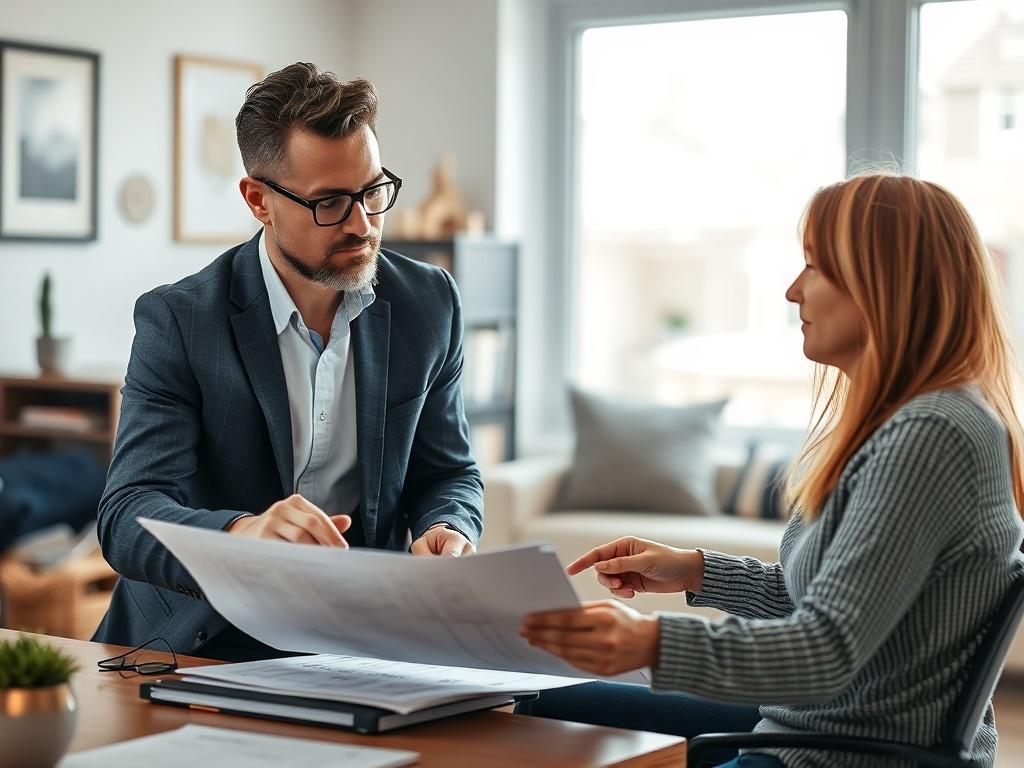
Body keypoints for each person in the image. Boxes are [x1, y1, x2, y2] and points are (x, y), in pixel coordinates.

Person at [517, 173, 1024, 768]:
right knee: (543, 700)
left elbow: (827, 649)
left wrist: (648, 640)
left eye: (814, 266)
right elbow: (811, 599)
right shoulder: (904, 424)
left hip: (843, 755)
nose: (792, 291)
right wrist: (691, 570)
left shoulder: (932, 436)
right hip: (812, 726)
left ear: (882, 284)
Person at [93, 63, 483, 661]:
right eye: (330, 202)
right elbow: (128, 515)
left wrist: (448, 528)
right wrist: (242, 535)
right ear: (258, 201)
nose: (362, 224)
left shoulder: (429, 304)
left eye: (373, 192)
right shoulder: (180, 320)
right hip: (203, 640)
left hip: (362, 641)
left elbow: (448, 473)